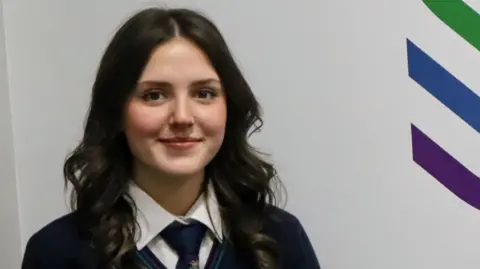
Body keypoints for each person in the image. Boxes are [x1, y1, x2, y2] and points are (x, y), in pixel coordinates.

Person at [21, 7, 321, 269]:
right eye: (154, 95)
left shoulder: (280, 238)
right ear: (116, 113)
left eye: (204, 94)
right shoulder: (56, 254)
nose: (182, 117)